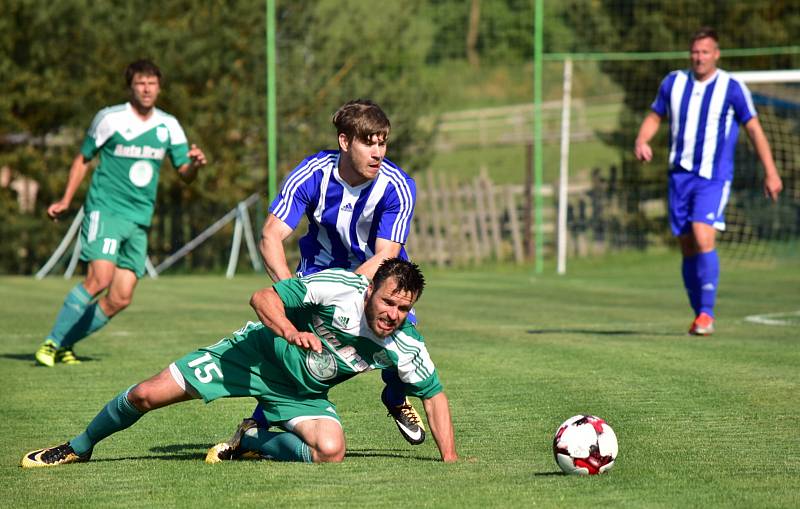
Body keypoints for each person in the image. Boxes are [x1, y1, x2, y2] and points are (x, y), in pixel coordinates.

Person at [21, 258, 458, 467]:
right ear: (369, 291)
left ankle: (253, 439)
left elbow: (434, 396)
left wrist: (450, 459)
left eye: (403, 309)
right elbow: (262, 297)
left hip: (300, 394)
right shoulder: (339, 288)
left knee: (331, 451)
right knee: (144, 395)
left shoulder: (405, 343)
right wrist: (290, 330)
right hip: (249, 357)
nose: (392, 315)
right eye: (387, 302)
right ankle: (78, 447)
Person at [247, 99, 426, 446]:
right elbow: (271, 235)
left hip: (380, 276)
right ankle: (257, 424)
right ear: (345, 142)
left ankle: (395, 396)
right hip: (318, 272)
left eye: (382, 142)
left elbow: (386, 254)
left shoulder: (397, 185)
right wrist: (292, 295)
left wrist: (353, 296)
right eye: (368, 142)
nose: (378, 152)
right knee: (298, 355)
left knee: (403, 337)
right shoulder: (313, 173)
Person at [34, 59, 207, 366]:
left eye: (152, 83)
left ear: (159, 87)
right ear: (130, 87)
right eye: (140, 83)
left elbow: (184, 173)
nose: (146, 88)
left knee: (121, 297)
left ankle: (64, 344)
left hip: (139, 219)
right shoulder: (110, 118)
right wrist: (65, 199)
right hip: (106, 210)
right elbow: (83, 159)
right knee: (99, 279)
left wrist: (193, 163)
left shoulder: (169, 125)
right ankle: (51, 343)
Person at [634, 27, 782, 335]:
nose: (699, 57)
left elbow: (754, 130)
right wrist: (642, 139)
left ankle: (707, 313)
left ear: (716, 54)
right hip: (679, 176)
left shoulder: (731, 87)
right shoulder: (673, 83)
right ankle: (699, 312)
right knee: (687, 245)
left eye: (705, 52)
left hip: (712, 177)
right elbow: (654, 116)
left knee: (703, 235)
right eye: (695, 52)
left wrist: (770, 171)